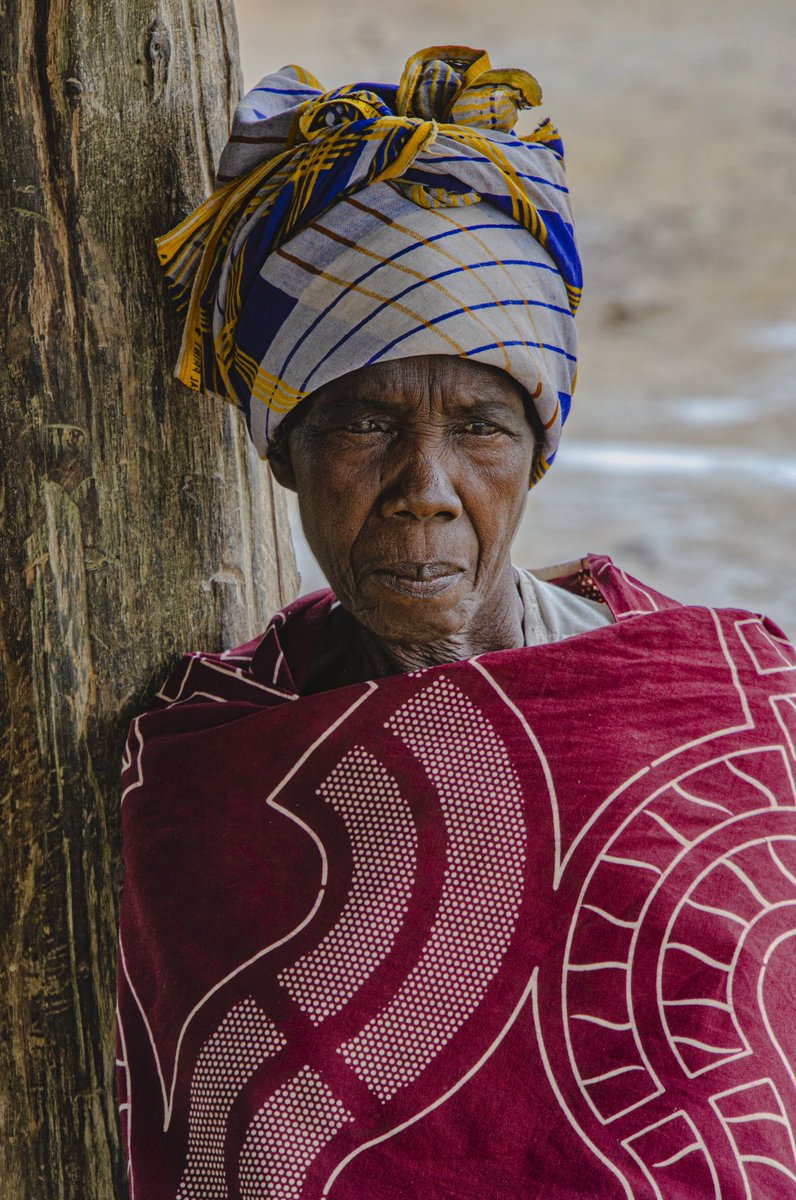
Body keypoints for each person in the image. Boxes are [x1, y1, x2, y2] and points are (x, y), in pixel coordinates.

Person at [117, 46, 796, 1199]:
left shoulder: (727, 709)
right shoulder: (206, 763)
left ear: (537, 454)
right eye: (365, 425)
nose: (425, 484)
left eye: (479, 426)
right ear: (283, 453)